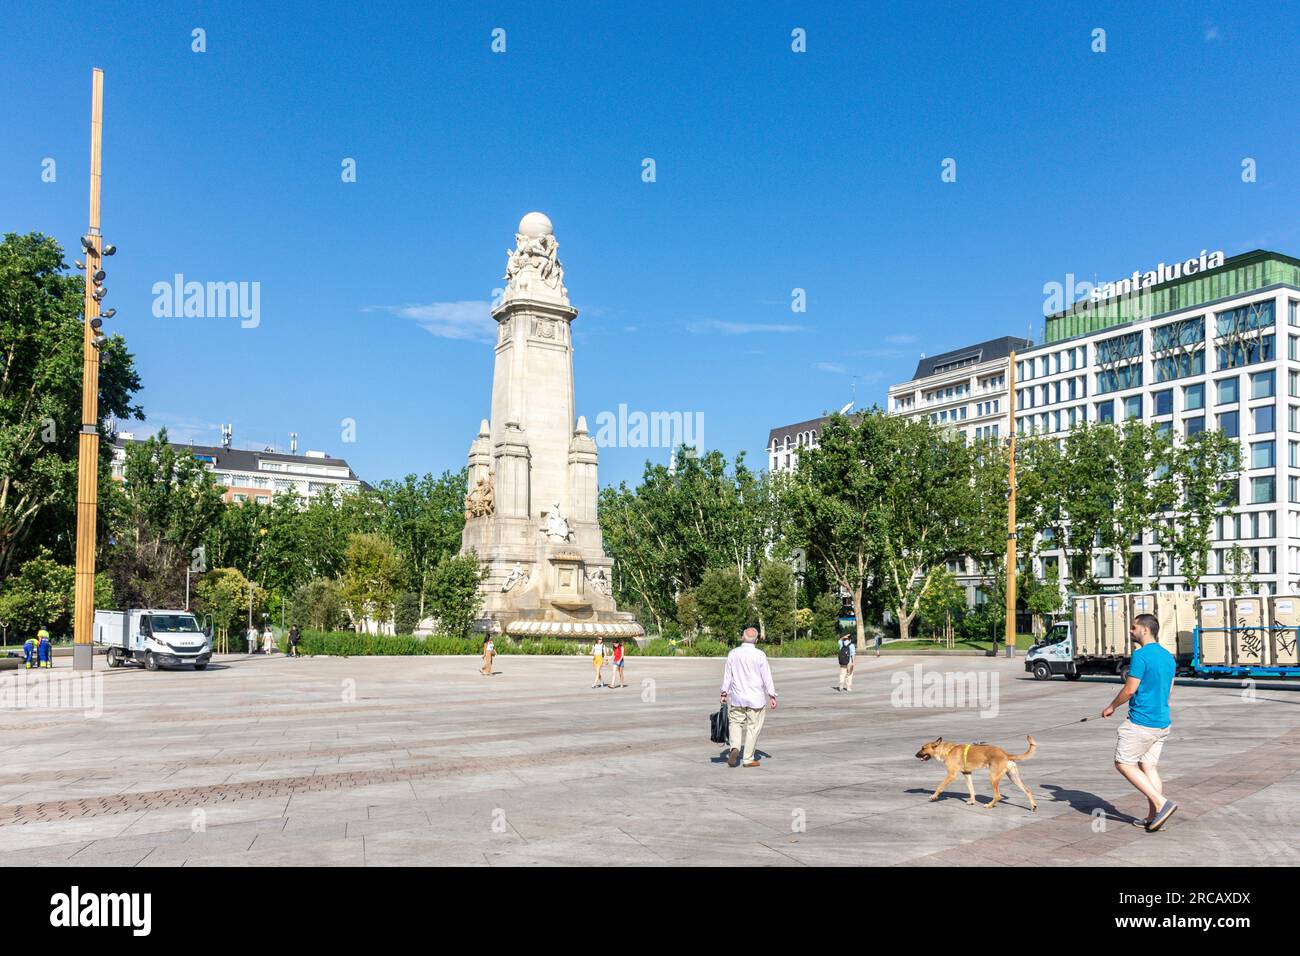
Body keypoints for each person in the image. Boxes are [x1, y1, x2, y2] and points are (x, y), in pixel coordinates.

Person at [1103, 612, 1178, 832]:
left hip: (1141, 722)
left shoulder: (1141, 655)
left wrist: (1111, 707)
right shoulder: (1168, 657)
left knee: (1123, 763)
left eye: (1134, 627)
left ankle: (1162, 803)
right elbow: (1169, 691)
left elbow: (1129, 689)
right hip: (1162, 722)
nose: (1131, 631)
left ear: (1145, 630)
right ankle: (1155, 817)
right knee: (1148, 766)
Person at [719, 625, 778, 768]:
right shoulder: (760, 655)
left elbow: (728, 676)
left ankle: (735, 747)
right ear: (756, 640)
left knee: (735, 723)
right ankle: (748, 759)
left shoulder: (733, 653)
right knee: (753, 727)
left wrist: (724, 692)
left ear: (742, 637)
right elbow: (767, 677)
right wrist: (772, 695)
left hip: (737, 697)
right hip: (756, 699)